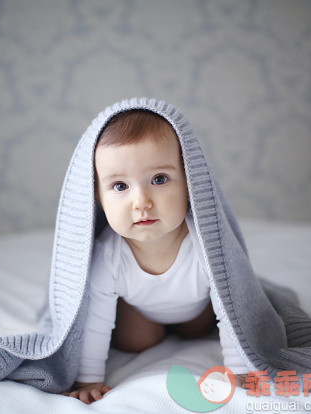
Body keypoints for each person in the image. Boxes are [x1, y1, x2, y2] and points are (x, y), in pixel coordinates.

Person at [62, 109, 249, 404]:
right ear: (96, 196)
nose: (142, 202)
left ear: (190, 183)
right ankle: (145, 324)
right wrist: (88, 379)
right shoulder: (108, 254)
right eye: (120, 186)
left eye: (160, 179)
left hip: (197, 309)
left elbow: (232, 307)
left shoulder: (206, 244)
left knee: (202, 326)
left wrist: (238, 370)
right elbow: (96, 320)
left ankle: (189, 326)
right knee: (134, 341)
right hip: (141, 311)